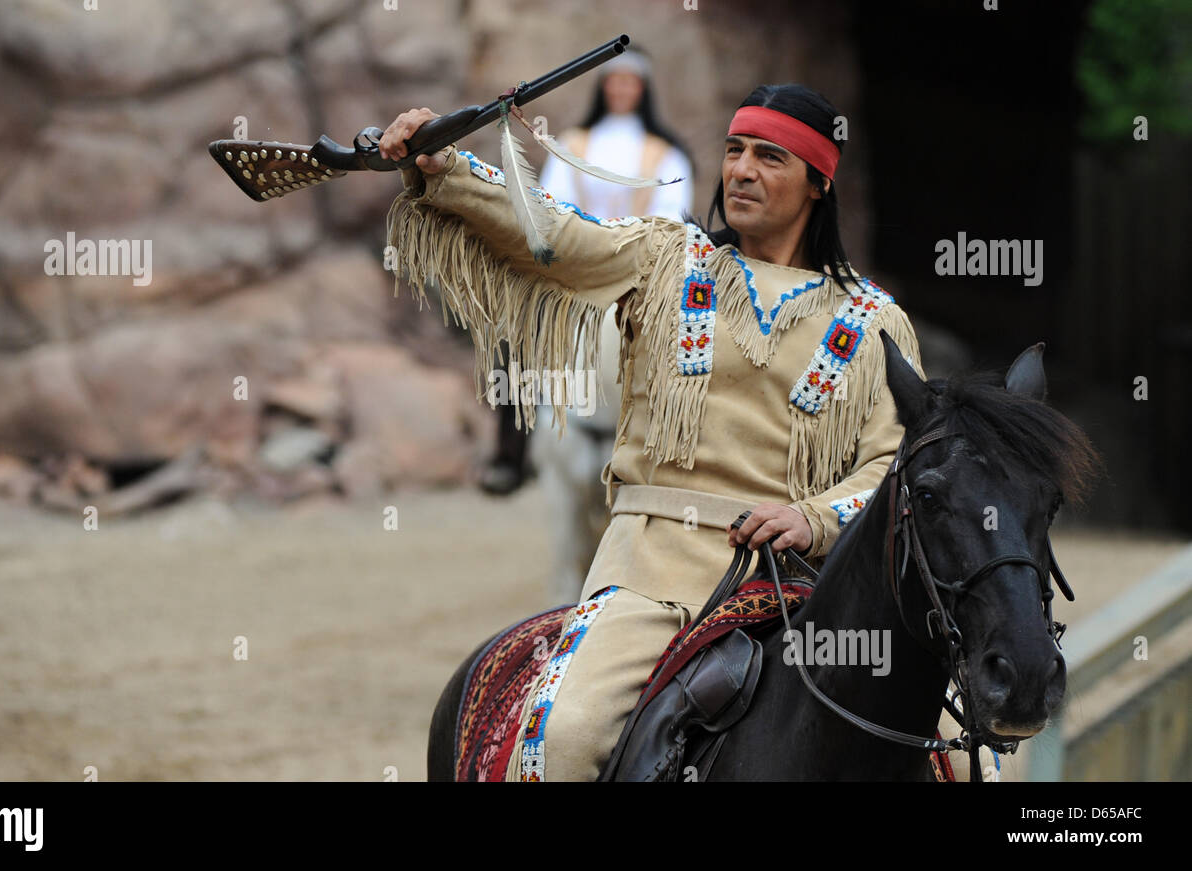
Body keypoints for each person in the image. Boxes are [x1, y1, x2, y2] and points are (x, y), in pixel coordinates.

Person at [381, 84, 964, 781]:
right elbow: (552, 235)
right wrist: (446, 170)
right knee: (562, 740)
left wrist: (812, 518)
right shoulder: (664, 258)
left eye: (770, 157)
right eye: (734, 150)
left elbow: (893, 467)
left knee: (961, 764)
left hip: (803, 590)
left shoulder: (873, 322)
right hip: (648, 578)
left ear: (818, 180)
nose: (742, 169)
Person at [478, 46, 693, 502]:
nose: (621, 89)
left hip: (642, 273)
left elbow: (673, 213)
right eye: (614, 81)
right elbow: (551, 206)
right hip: (579, 271)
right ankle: (510, 455)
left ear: (643, 88)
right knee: (519, 335)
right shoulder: (573, 145)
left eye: (630, 82)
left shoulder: (666, 153)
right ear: (603, 86)